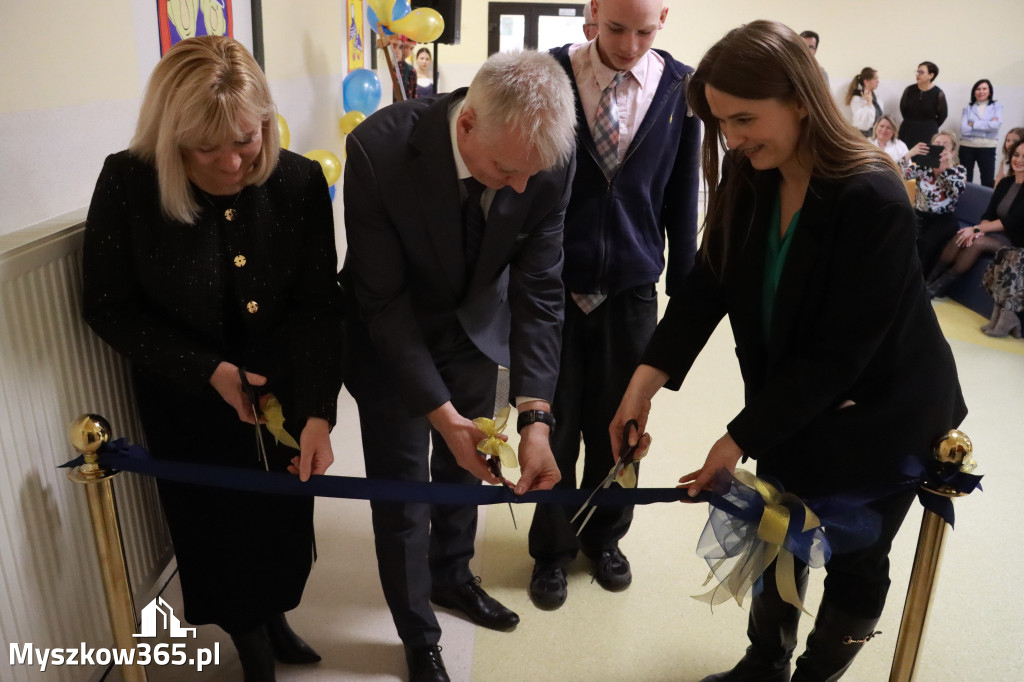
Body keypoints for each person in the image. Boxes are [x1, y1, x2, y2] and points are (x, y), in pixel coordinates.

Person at [610, 20, 966, 682]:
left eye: (744, 118)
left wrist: (736, 438)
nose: (733, 139)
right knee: (780, 534)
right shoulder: (754, 172)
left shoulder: (872, 194)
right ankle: (763, 665)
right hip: (793, 398)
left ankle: (813, 676)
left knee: (856, 560)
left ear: (801, 99)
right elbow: (707, 281)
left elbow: (841, 354)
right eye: (721, 123)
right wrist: (642, 385)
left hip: (881, 413)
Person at [82, 36, 344, 682]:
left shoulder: (299, 180)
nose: (232, 163)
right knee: (215, 527)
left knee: (284, 515)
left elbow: (318, 307)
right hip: (186, 393)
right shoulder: (129, 181)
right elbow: (108, 305)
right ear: (172, 139)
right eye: (207, 148)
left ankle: (276, 614)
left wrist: (318, 412)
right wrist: (209, 372)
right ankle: (249, 637)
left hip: (282, 385)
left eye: (247, 140)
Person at [341, 50, 576, 682]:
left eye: (533, 175)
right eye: (506, 170)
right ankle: (418, 630)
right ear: (467, 123)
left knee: (467, 471)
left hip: (475, 331)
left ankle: (452, 576)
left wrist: (536, 417)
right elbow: (382, 303)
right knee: (403, 495)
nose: (522, 188)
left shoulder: (542, 158)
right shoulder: (377, 151)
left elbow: (540, 292)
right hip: (390, 336)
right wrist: (440, 414)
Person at [528, 0, 700, 610]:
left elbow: (684, 198)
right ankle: (550, 546)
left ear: (665, 19)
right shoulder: (549, 75)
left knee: (621, 427)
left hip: (631, 291)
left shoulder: (681, 87)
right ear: (592, 12)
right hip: (554, 290)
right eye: (617, 28)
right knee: (554, 422)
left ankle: (605, 536)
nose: (628, 45)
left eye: (644, 31)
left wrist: (684, 296)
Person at [925, 138, 1024, 334]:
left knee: (976, 242)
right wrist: (978, 229)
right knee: (964, 235)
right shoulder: (1005, 183)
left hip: (1017, 241)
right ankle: (931, 281)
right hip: (997, 234)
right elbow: (988, 214)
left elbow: (1011, 222)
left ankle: (939, 286)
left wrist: (978, 230)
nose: (1019, 159)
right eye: (1017, 155)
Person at [901, 131, 968, 274]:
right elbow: (897, 173)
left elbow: (957, 190)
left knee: (926, 244)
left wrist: (947, 167)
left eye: (945, 145)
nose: (941, 147)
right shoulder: (924, 166)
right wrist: (909, 154)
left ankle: (918, 282)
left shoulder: (959, 170)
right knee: (903, 237)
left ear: (952, 151)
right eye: (937, 144)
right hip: (919, 215)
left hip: (943, 219)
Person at [959, 79, 1003, 187]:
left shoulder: (997, 107)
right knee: (965, 179)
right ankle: (965, 201)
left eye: (984, 88)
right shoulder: (967, 108)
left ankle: (987, 203)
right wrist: (986, 127)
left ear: (989, 91)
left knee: (987, 179)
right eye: (978, 89)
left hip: (987, 146)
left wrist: (973, 124)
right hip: (967, 146)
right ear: (974, 92)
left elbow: (996, 125)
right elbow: (964, 129)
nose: (981, 91)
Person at [899, 61, 947, 149]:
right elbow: (903, 109)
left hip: (928, 132)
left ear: (931, 75)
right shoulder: (909, 90)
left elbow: (943, 115)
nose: (918, 75)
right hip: (907, 130)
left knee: (923, 158)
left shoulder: (938, 93)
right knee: (905, 156)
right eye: (917, 72)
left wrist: (929, 125)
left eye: (921, 72)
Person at [845, 67, 882, 137]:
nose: (878, 81)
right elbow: (862, 123)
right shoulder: (857, 99)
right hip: (863, 136)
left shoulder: (876, 97)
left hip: (875, 135)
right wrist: (869, 102)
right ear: (866, 82)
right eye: (875, 79)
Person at [392, 36, 418, 100]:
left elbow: (411, 97)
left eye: (411, 48)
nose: (408, 52)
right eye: (405, 47)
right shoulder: (386, 67)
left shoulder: (411, 70)